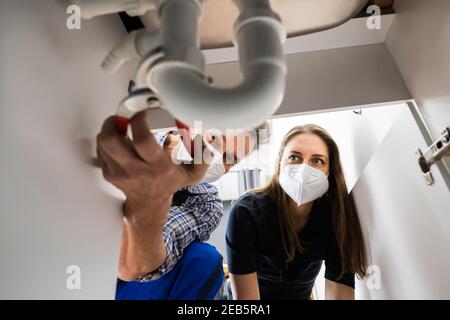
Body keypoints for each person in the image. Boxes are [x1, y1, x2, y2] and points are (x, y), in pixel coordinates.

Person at [96, 110, 269, 299]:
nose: (217, 156)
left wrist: (158, 194)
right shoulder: (134, 134)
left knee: (204, 259)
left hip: (120, 282)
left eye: (231, 159)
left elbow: (133, 268)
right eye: (215, 138)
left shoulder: (206, 202)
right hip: (74, 259)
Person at [226, 124, 367, 300]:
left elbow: (340, 293)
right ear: (279, 163)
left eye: (317, 160)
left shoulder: (336, 217)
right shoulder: (246, 213)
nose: (303, 170)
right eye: (294, 157)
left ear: (329, 172)